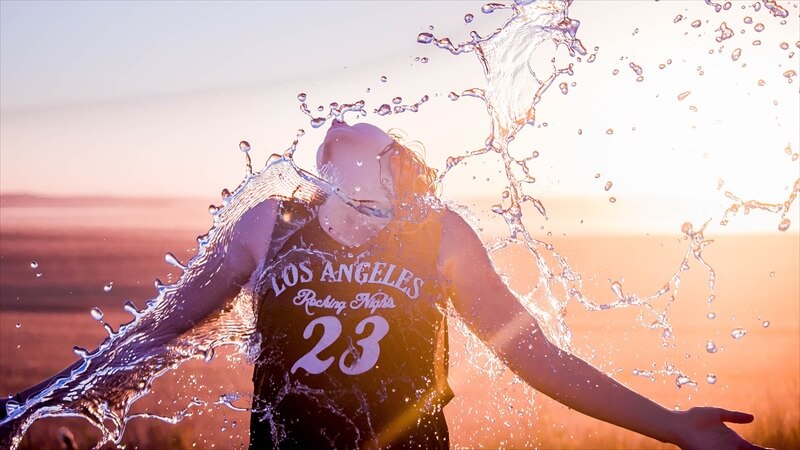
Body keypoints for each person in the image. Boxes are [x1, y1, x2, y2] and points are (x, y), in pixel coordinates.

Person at [2, 120, 767, 450]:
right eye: (333, 133)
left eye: (370, 132)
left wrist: (671, 425)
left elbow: (532, 353)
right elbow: (155, 334)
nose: (344, 128)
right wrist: (26, 405)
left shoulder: (438, 235)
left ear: (400, 164)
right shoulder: (269, 223)